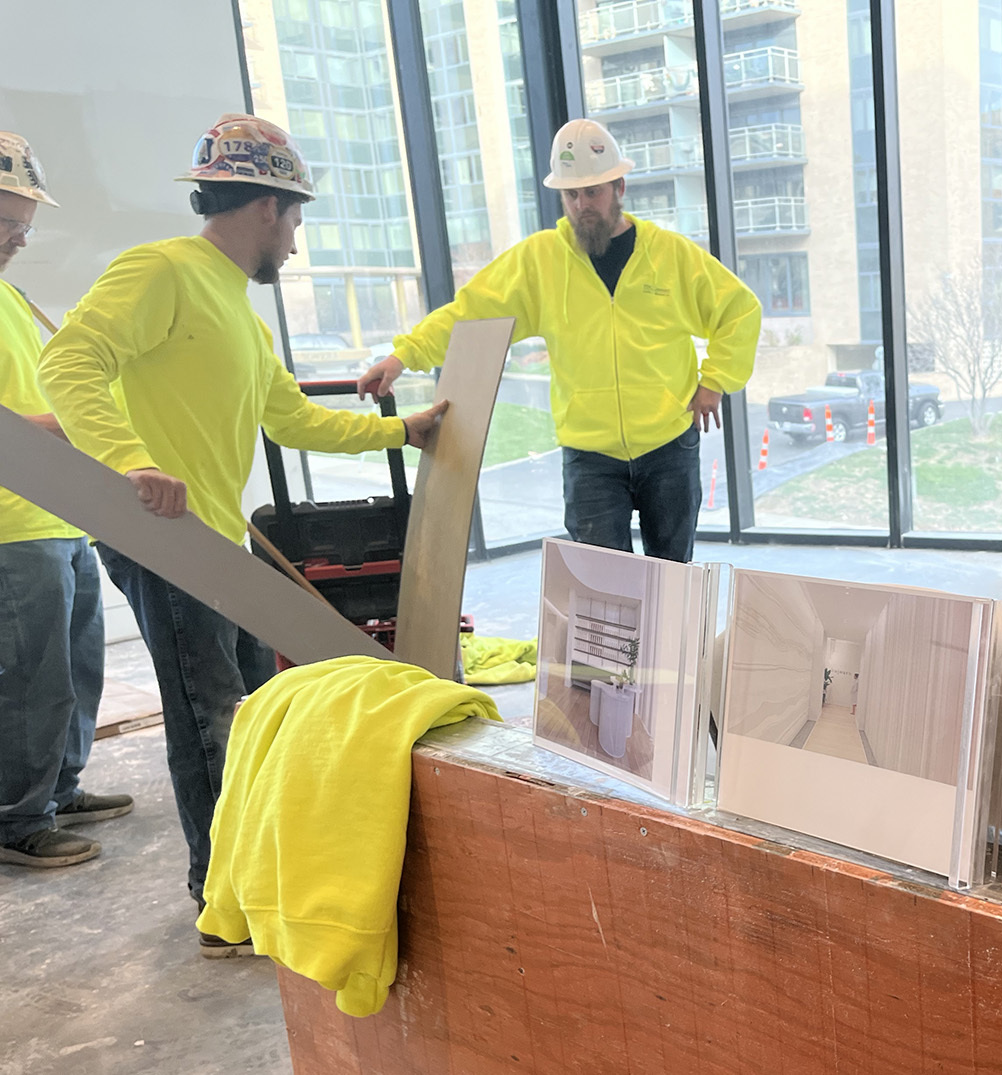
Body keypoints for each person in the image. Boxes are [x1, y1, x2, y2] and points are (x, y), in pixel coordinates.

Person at [37, 113, 448, 953]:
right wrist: (129, 461)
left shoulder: (241, 313)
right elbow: (68, 362)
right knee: (211, 720)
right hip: (163, 541)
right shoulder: (162, 271)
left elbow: (291, 419)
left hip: (216, 546)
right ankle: (217, 897)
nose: (295, 241)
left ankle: (249, 877)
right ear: (266, 207)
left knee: (253, 712)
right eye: (295, 219)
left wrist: (400, 432)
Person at [359, 118, 760, 564]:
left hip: (668, 444)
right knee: (602, 582)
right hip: (590, 455)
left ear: (619, 187)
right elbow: (469, 314)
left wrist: (714, 381)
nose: (582, 205)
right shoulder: (540, 261)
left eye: (593, 192)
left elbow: (739, 310)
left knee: (672, 574)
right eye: (571, 195)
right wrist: (404, 355)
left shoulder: (670, 254)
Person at [0, 132, 134, 870]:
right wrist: (69, 426)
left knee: (77, 667)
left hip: (57, 511)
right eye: (7, 223)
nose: (20, 240)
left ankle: (59, 787)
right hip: (10, 523)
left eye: (25, 225)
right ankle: (17, 818)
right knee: (31, 680)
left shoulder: (11, 296)